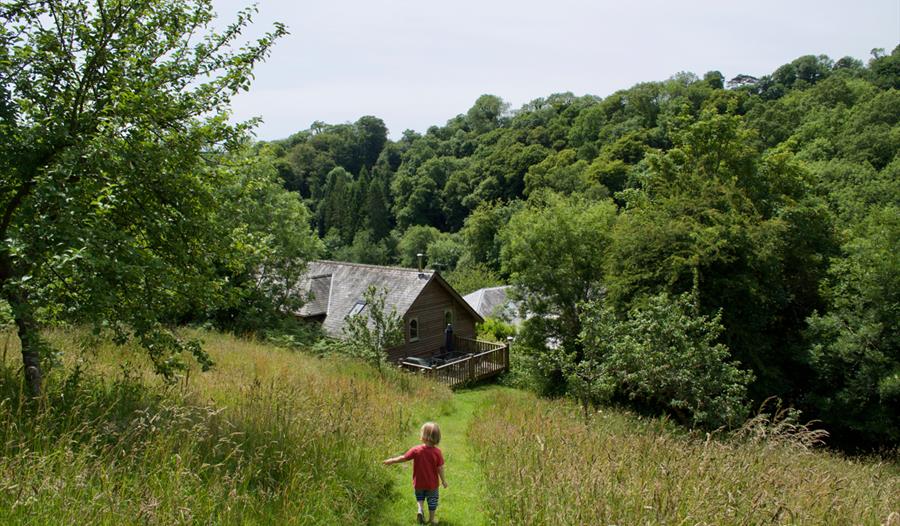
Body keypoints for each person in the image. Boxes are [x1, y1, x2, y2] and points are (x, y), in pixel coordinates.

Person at [383, 422, 448, 524]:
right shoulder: (437, 452)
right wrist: (443, 481)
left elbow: (404, 458)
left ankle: (420, 509)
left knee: (420, 497)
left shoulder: (416, 450)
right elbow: (440, 468)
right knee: (432, 500)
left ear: (424, 436)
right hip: (432, 484)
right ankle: (431, 519)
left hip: (419, 483)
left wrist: (392, 460)